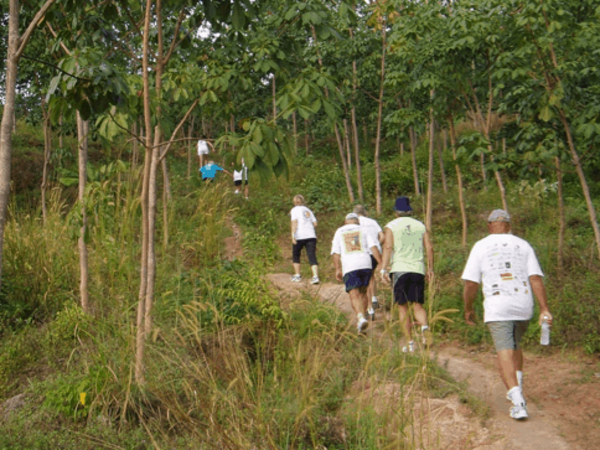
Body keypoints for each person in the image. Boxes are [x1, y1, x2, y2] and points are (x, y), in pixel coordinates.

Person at [461, 209, 553, 420]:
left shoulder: (480, 246)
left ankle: (518, 401)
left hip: (497, 305)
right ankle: (516, 388)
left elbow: (471, 283)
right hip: (523, 304)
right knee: (516, 345)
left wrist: (469, 307)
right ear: (509, 226)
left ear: (489, 225)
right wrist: (544, 308)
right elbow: (536, 278)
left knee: (504, 349)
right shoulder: (523, 245)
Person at [380, 196, 434, 352]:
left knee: (403, 307)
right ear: (410, 211)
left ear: (396, 212)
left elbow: (388, 247)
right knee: (418, 305)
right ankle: (424, 327)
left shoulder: (392, 225)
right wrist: (430, 269)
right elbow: (429, 248)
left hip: (399, 269)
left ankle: (410, 343)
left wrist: (383, 268)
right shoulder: (420, 226)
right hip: (418, 269)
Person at [331, 213, 382, 333]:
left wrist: (338, 268)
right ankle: (363, 319)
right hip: (365, 264)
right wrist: (381, 263)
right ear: (357, 222)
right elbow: (373, 247)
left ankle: (360, 317)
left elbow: (335, 252)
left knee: (353, 293)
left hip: (350, 265)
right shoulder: (363, 230)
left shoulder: (340, 231)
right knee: (363, 292)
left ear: (345, 222)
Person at [353, 204, 385, 321]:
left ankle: (370, 307)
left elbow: (355, 240)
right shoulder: (373, 222)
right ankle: (374, 298)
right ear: (364, 211)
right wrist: (377, 244)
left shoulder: (355, 223)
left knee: (366, 279)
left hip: (364, 252)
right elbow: (382, 236)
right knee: (371, 276)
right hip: (375, 251)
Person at [290, 194, 319, 284]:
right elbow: (315, 224)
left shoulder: (294, 210)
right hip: (311, 235)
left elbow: (294, 222)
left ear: (294, 202)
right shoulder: (308, 210)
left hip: (300, 235)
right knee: (311, 255)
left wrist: (293, 235)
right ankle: (315, 276)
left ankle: (297, 275)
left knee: (296, 254)